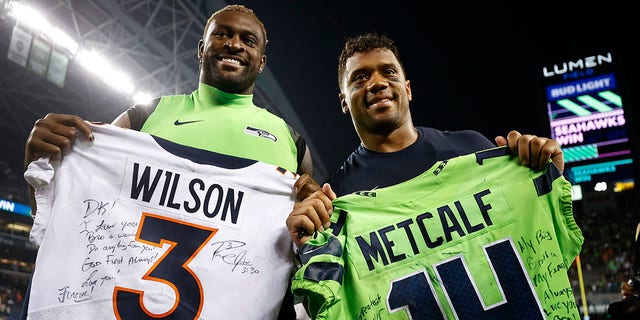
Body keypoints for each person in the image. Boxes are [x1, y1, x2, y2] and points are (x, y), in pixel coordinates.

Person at [22, 4, 312, 320]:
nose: (234, 44)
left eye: (248, 40)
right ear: (202, 48)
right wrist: (40, 162)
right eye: (222, 34)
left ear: (261, 62)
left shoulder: (291, 144)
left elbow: (304, 249)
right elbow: (73, 221)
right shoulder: (144, 117)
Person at [286, 32, 583, 319]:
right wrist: (307, 247)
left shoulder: (474, 150)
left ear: (408, 88)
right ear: (343, 101)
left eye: (388, 72)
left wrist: (546, 174)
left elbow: (544, 253)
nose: (377, 83)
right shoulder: (339, 200)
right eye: (360, 78)